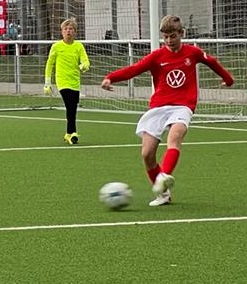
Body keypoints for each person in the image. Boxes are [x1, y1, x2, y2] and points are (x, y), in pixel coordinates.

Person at [101, 15, 234, 207]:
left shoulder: (193, 53)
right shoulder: (157, 56)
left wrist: (228, 79)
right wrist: (110, 77)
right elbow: (134, 69)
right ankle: (164, 195)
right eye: (166, 37)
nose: (169, 40)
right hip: (158, 106)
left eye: (173, 36)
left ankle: (164, 176)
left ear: (181, 33)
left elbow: (212, 61)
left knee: (175, 137)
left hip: (183, 106)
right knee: (147, 154)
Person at [44, 18, 90, 145]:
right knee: (70, 105)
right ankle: (73, 132)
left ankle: (68, 134)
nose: (68, 31)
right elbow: (49, 64)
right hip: (62, 81)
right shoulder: (56, 47)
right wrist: (47, 82)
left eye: (70, 29)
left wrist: (84, 65)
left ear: (75, 32)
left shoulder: (79, 46)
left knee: (73, 107)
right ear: (62, 32)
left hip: (74, 81)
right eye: (65, 29)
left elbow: (85, 60)